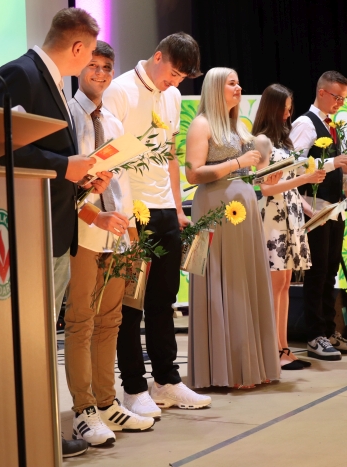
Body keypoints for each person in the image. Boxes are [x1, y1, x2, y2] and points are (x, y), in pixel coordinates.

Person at [0, 7, 106, 459]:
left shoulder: (51, 80)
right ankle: (23, 431)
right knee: (27, 342)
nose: (91, 62)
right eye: (90, 53)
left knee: (40, 342)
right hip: (27, 230)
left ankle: (38, 429)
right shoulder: (19, 74)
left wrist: (82, 177)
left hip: (52, 228)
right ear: (77, 47)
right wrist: (64, 167)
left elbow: (43, 152)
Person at [102, 33, 211, 415]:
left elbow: (169, 155)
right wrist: (128, 217)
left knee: (164, 300)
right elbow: (113, 160)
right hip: (132, 211)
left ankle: (166, 381)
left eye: (181, 78)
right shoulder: (120, 91)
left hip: (165, 208)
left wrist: (178, 208)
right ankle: (133, 387)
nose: (174, 82)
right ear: (158, 56)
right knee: (130, 305)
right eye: (173, 73)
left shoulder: (173, 96)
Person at [65, 41, 155, 446]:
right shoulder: (68, 116)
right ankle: (82, 411)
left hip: (117, 232)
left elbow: (121, 182)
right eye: (93, 66)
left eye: (106, 67)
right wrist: (91, 214)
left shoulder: (114, 122)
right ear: (79, 68)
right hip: (83, 230)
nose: (100, 74)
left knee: (110, 320)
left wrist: (132, 230)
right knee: (81, 321)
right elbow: (63, 186)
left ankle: (105, 402)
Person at [185, 68, 282, 388]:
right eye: (232, 83)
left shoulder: (237, 125)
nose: (239, 88)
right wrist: (238, 163)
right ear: (216, 88)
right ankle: (230, 370)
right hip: (215, 209)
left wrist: (266, 172)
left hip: (243, 208)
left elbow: (250, 171)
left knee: (245, 282)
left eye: (239, 82)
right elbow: (193, 174)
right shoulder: (202, 124)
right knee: (224, 281)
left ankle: (251, 365)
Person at [252, 84, 325, 371]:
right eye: (285, 107)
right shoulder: (261, 141)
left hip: (290, 214)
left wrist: (310, 210)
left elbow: (287, 186)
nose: (288, 113)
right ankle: (274, 351)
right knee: (275, 286)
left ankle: (283, 348)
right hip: (273, 216)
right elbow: (266, 188)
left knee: (284, 285)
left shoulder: (283, 141)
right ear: (273, 107)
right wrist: (304, 179)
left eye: (290, 107)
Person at [289, 71, 347, 360]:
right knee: (317, 273)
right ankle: (314, 335)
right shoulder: (305, 123)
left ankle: (329, 331)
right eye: (336, 97)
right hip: (313, 207)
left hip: (333, 208)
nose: (340, 103)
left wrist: (346, 180)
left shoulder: (330, 125)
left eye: (344, 98)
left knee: (330, 270)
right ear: (321, 92)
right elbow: (293, 164)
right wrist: (332, 163)